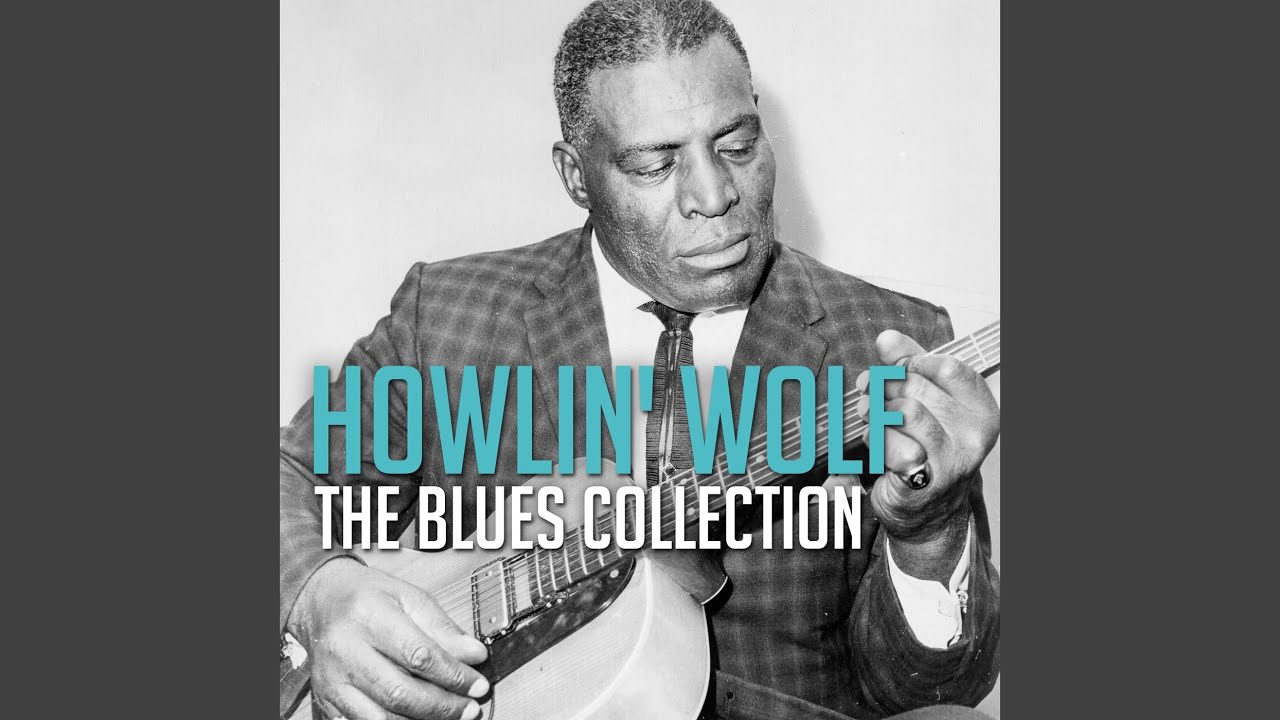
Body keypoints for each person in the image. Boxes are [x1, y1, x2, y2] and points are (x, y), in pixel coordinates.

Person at [279, 1, 1000, 719]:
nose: (715, 196)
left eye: (738, 145)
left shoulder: (891, 339)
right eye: (656, 164)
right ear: (576, 176)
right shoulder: (446, 314)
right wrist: (319, 593)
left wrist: (929, 530)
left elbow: (934, 694)